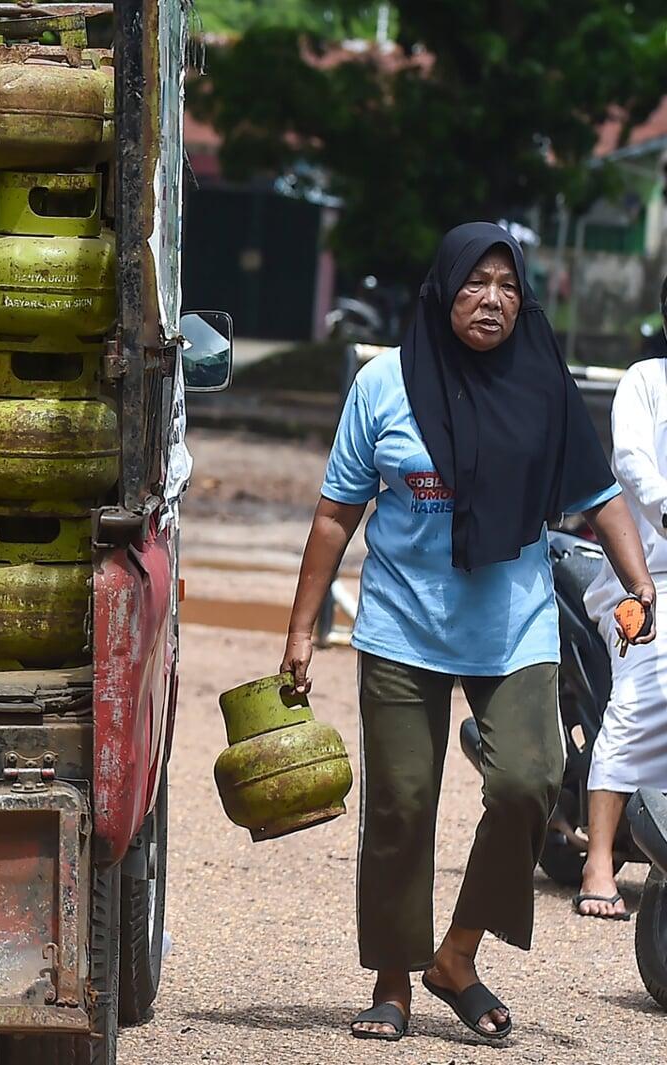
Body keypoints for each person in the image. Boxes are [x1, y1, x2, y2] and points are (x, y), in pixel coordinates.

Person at [279, 222, 656, 1042]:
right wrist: (302, 629)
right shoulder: (382, 386)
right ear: (443, 288)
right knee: (404, 804)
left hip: (512, 626)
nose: (492, 299)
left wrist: (639, 580)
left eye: (508, 285)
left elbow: (600, 494)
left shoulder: (545, 388)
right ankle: (392, 977)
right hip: (402, 626)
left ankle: (455, 956)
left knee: (530, 777)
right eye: (476, 283)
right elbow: (338, 511)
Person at [577, 275, 667, 920]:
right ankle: (599, 859)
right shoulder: (645, 381)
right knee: (645, 695)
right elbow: (631, 459)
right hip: (647, 579)